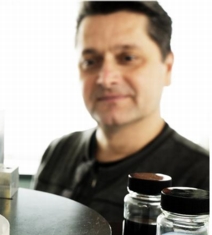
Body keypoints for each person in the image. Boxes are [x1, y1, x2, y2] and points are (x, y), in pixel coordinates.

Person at [33, 1, 209, 223]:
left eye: (128, 58)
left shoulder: (201, 177)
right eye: (90, 61)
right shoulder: (58, 151)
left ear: (168, 67)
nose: (106, 79)